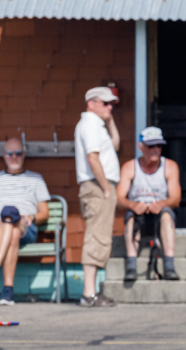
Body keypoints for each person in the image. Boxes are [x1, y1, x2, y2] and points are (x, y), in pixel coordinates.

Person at [0, 138, 50, 306]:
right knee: (12, 229)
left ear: (24, 155)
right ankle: (7, 291)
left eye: (18, 153)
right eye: (10, 154)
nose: (14, 157)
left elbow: (44, 212)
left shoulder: (36, 179)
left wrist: (33, 217)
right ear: (4, 156)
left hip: (27, 226)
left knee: (12, 219)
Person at [75, 86, 121, 307]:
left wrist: (110, 121)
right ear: (91, 103)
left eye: (111, 103)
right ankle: (89, 293)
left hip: (100, 185)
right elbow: (93, 158)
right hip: (97, 186)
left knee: (100, 235)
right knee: (96, 236)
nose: (110, 106)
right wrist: (105, 188)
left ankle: (91, 292)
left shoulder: (98, 125)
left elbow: (115, 145)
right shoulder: (90, 125)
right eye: (105, 103)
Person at [116, 127, 181, 281]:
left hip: (160, 213)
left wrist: (161, 204)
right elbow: (118, 198)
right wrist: (133, 205)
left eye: (159, 146)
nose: (155, 150)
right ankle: (131, 266)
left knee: (166, 216)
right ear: (141, 146)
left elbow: (176, 198)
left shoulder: (170, 166)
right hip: (138, 213)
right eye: (151, 146)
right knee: (131, 218)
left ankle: (169, 265)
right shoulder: (130, 167)